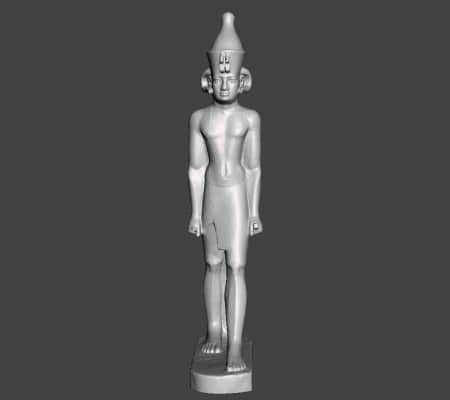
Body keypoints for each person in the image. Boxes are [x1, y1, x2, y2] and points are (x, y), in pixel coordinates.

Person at [188, 12, 262, 373]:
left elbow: (253, 167)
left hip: (236, 197)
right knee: (213, 264)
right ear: (208, 80)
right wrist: (194, 212)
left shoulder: (250, 119)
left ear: (242, 80)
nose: (224, 84)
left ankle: (234, 346)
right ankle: (215, 331)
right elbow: (196, 168)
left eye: (230, 78)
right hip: (212, 197)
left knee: (237, 267)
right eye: (219, 78)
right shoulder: (199, 119)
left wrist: (254, 211)